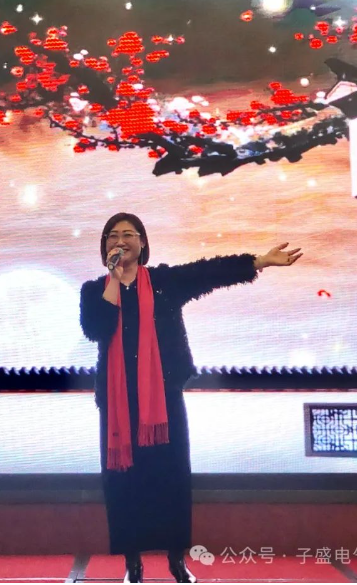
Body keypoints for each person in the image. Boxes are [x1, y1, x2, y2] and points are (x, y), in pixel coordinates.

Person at [79, 212, 303, 583]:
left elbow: (207, 271)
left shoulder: (165, 282)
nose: (120, 240)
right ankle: (133, 563)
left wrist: (258, 261)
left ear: (142, 243)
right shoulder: (94, 290)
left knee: (171, 479)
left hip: (163, 400)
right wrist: (114, 280)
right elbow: (96, 328)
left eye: (129, 234)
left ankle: (176, 560)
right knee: (124, 484)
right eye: (112, 236)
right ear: (105, 246)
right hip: (118, 405)